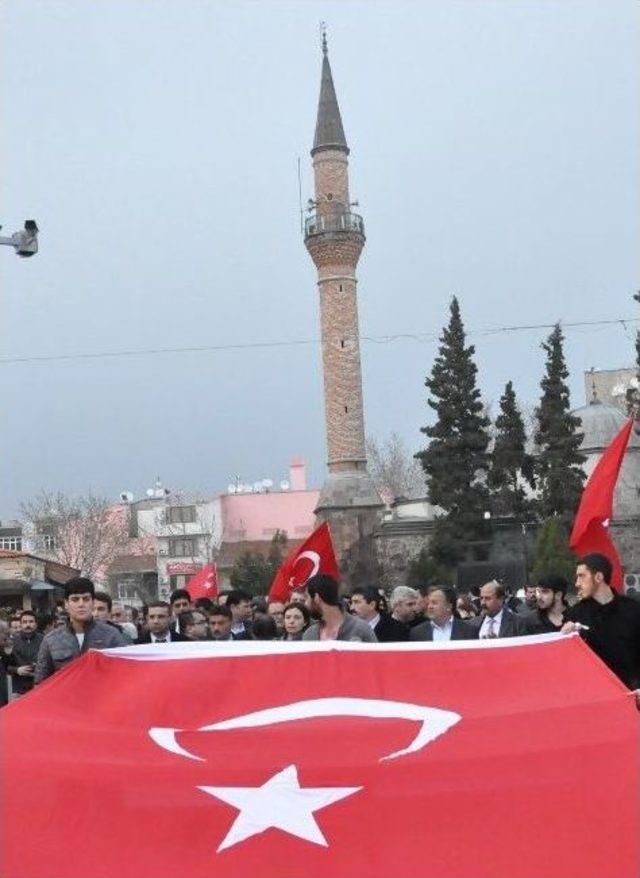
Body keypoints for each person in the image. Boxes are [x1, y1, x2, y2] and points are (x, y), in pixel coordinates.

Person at [563, 554, 640, 696]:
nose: (577, 583)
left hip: (633, 696)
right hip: (594, 697)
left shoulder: (633, 610)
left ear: (598, 577)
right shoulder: (574, 615)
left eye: (581, 576)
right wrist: (566, 640)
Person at [34, 577, 127, 684]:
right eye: (75, 599)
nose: (81, 604)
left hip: (102, 698)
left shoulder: (111, 636)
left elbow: (125, 674)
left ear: (92, 603)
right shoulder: (51, 640)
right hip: (66, 699)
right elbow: (40, 684)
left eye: (86, 599)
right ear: (66, 604)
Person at [303, 575, 377, 642]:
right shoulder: (310, 635)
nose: (305, 604)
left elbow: (376, 656)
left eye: (306, 598)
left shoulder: (361, 630)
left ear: (316, 598)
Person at [410, 587, 477, 642]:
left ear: (449, 606)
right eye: (429, 603)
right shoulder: (417, 632)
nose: (429, 606)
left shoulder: (468, 631)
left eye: (434, 603)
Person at [2, 610, 43, 697]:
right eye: (25, 622)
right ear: (21, 624)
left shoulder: (44, 640)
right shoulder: (11, 642)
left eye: (31, 622)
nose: (28, 625)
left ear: (36, 624)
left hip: (40, 687)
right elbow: (5, 666)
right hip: (18, 689)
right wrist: (17, 670)